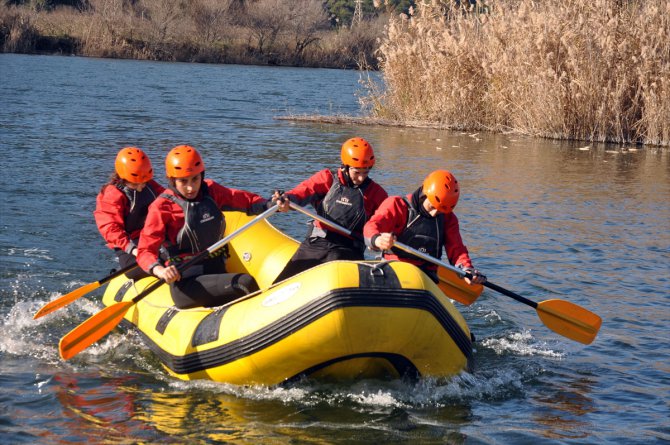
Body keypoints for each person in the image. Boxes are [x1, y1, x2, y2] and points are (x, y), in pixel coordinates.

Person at [136, 145, 288, 309]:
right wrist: (160, 270)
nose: (190, 187)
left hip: (216, 271)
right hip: (187, 283)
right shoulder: (161, 207)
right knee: (245, 282)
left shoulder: (211, 191)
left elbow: (245, 201)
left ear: (202, 175)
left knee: (242, 284)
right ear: (172, 180)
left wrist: (272, 204)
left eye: (195, 179)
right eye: (183, 181)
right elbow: (145, 251)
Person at [272, 137, 388, 283]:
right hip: (317, 242)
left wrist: (381, 240)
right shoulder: (326, 179)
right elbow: (301, 193)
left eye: (366, 172)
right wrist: (287, 199)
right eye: (357, 172)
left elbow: (387, 221)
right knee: (283, 283)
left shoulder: (376, 194)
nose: (361, 178)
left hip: (349, 248)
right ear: (345, 167)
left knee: (335, 268)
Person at [363, 169, 486, 285]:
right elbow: (372, 226)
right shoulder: (397, 205)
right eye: (432, 207)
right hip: (394, 269)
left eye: (440, 211)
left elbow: (457, 250)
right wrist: (377, 239)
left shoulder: (448, 219)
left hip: (426, 277)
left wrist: (466, 268)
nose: (433, 214)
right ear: (423, 195)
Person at [94, 147, 165, 281]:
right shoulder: (112, 194)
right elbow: (110, 228)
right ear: (123, 178)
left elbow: (169, 199)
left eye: (143, 183)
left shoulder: (150, 185)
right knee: (137, 269)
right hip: (131, 245)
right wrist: (134, 250)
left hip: (153, 237)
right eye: (135, 184)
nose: (140, 187)